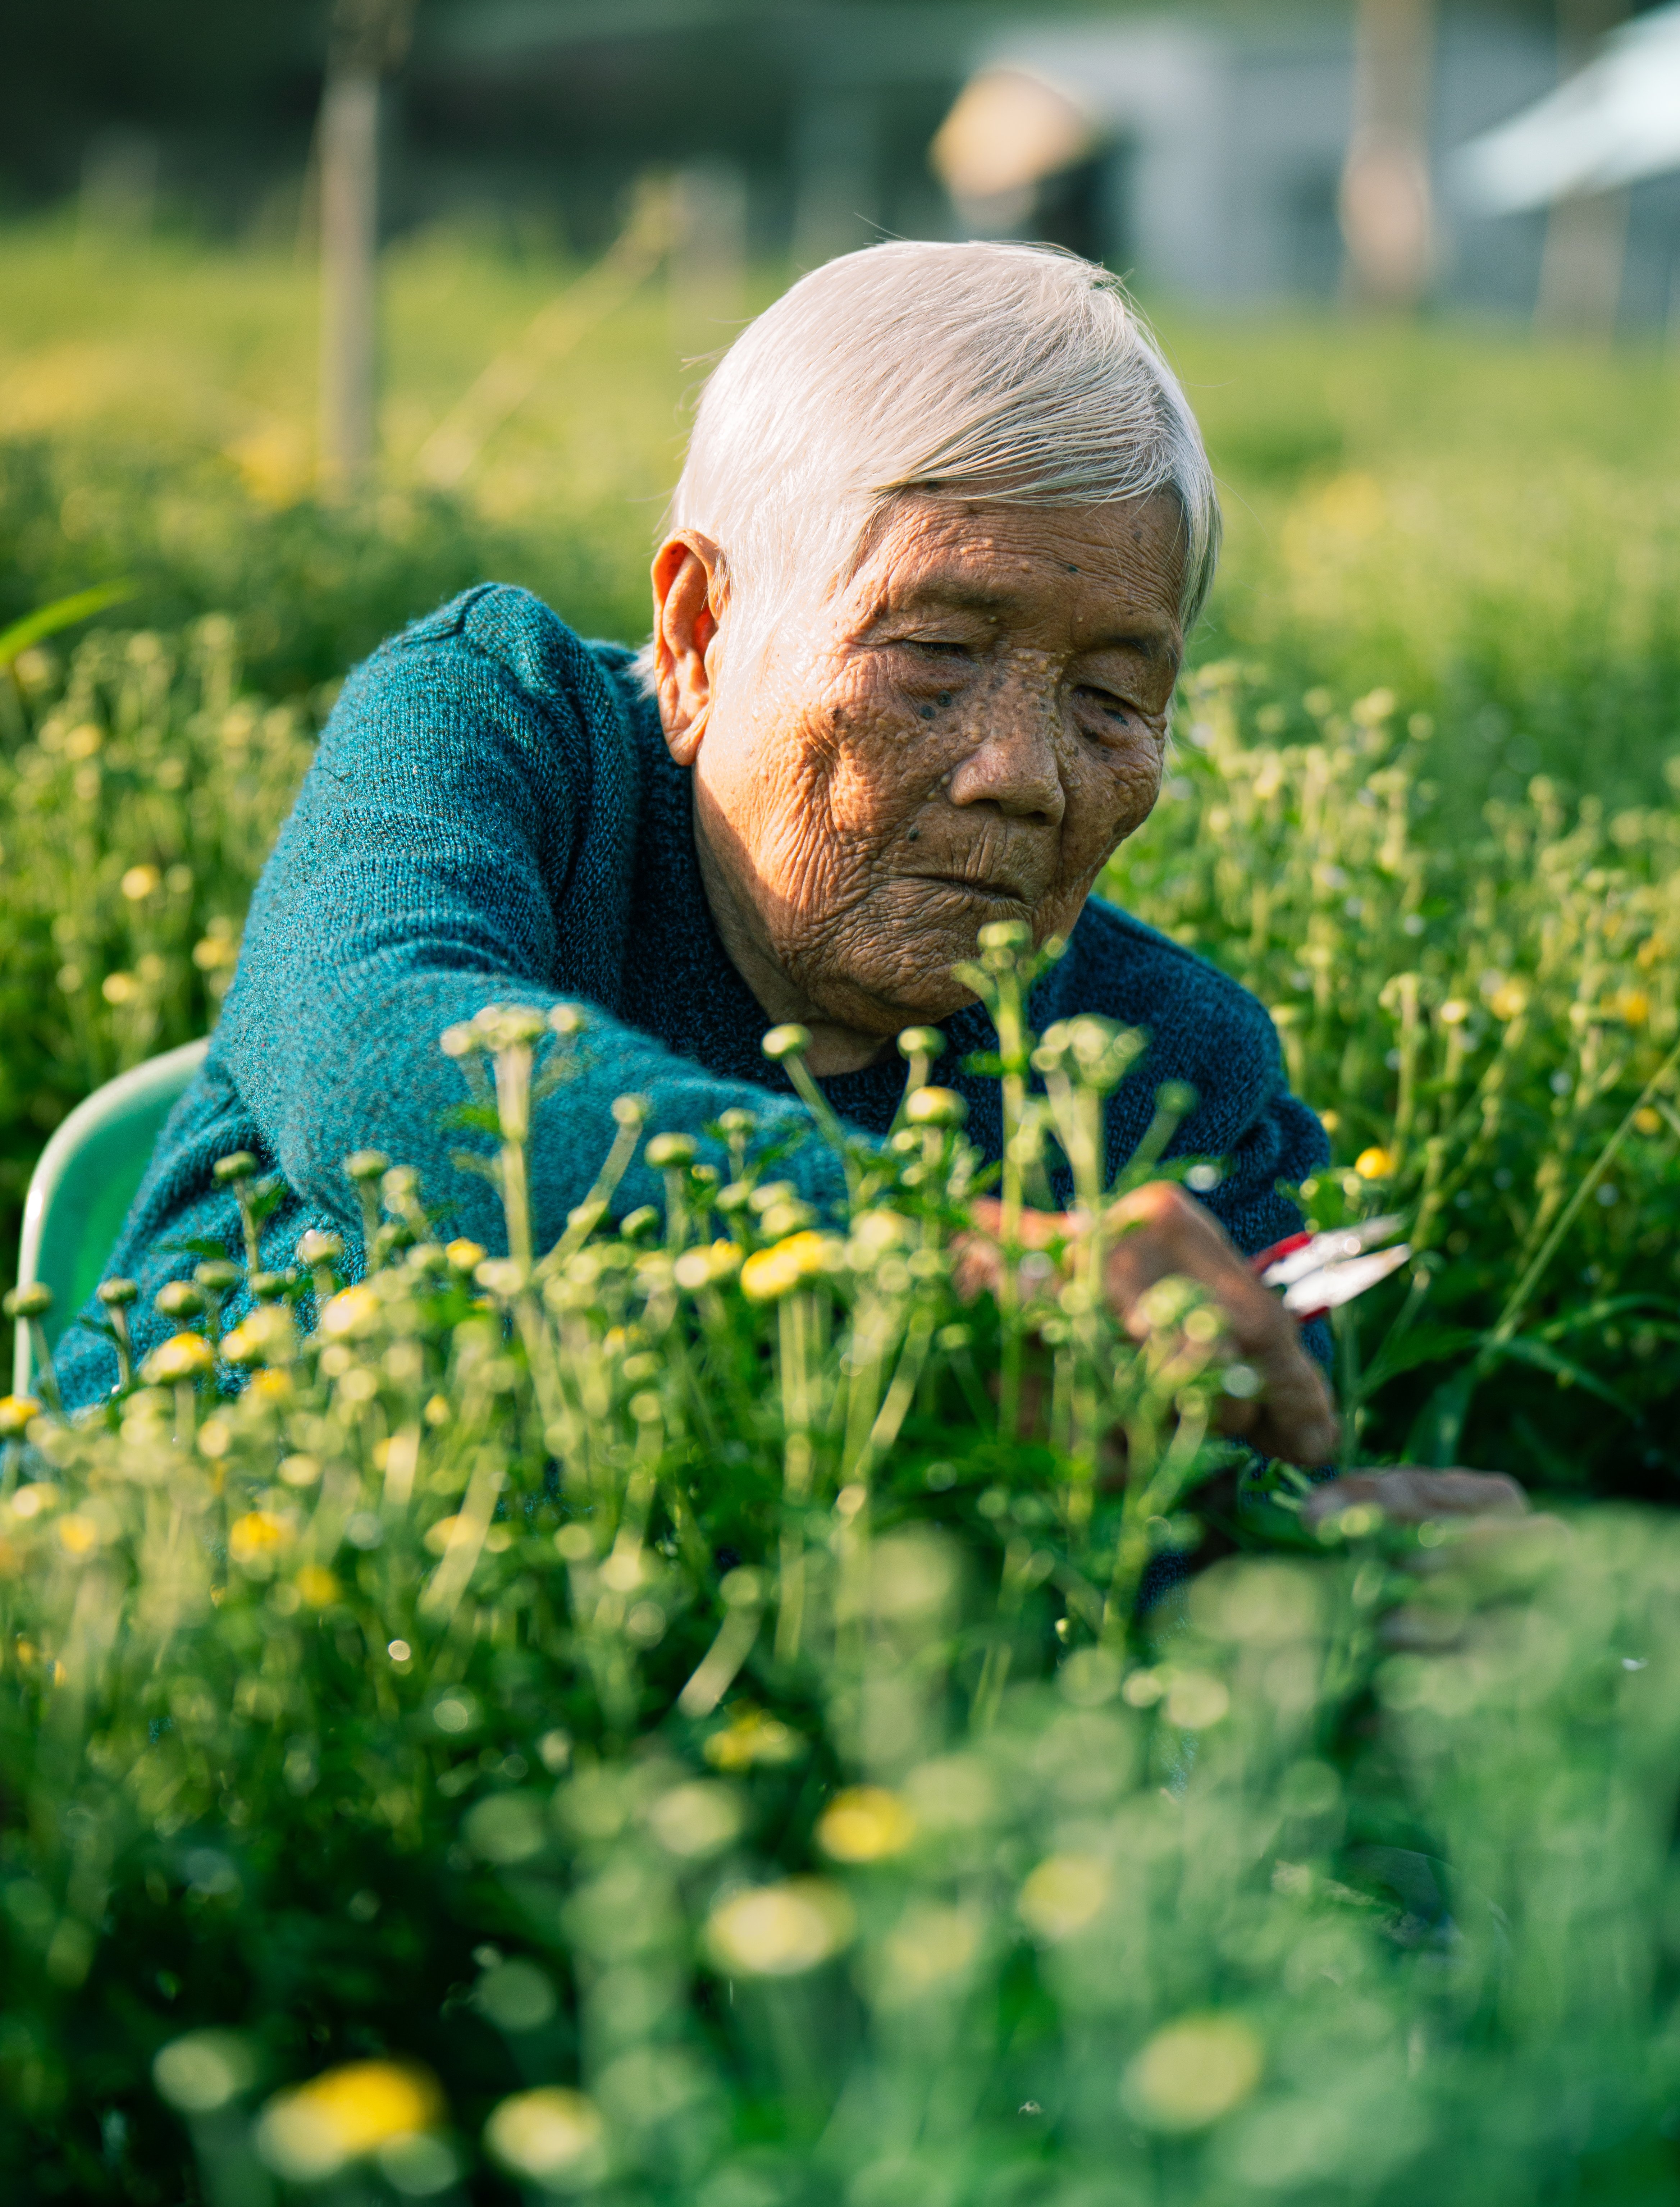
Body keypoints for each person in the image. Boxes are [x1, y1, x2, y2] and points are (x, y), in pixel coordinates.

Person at [53, 242, 1524, 1522]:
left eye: (1111, 700)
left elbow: (1209, 1502)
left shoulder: (1168, 1073)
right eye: (935, 653)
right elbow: (377, 1050)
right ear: (697, 633)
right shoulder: (510, 730)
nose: (1023, 772)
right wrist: (918, 1259)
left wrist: (1328, 1568)